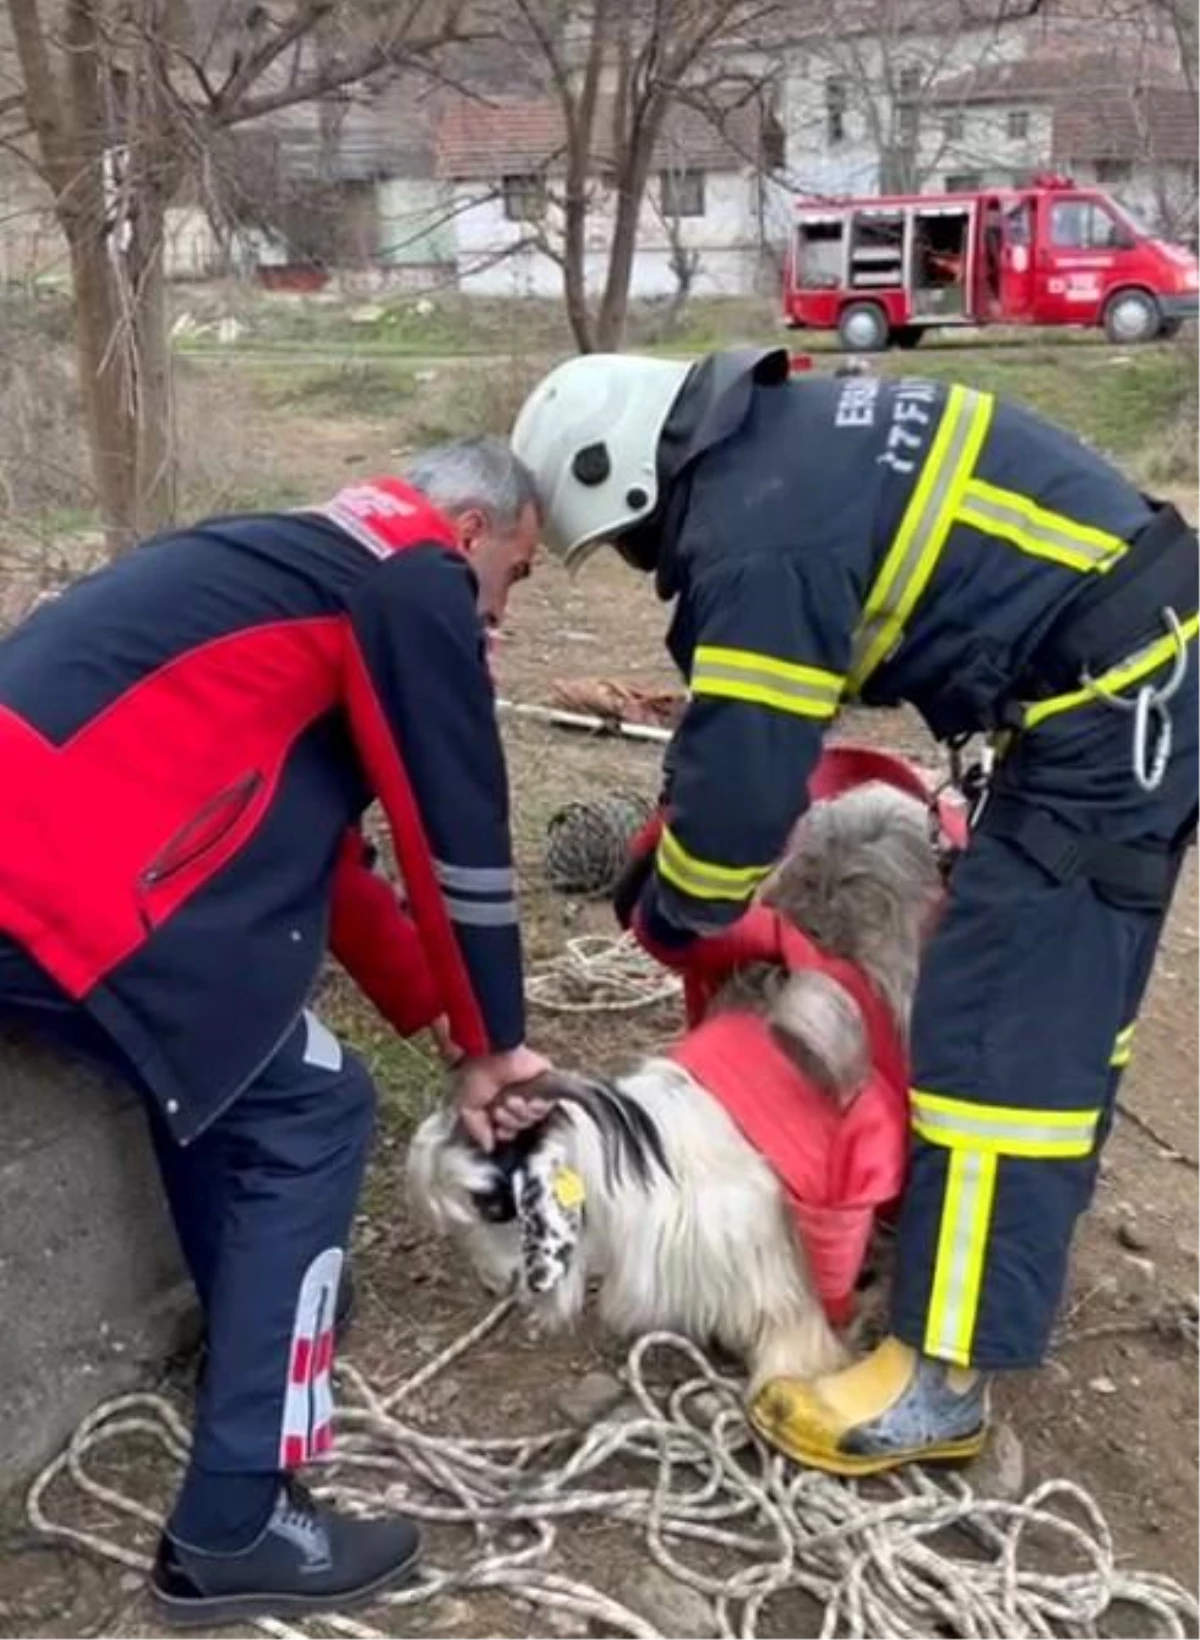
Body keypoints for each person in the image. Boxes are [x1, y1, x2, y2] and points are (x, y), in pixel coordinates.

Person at [510, 348, 1200, 1477]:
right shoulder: (788, 452)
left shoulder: (759, 537)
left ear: (633, 484)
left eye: (630, 545)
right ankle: (989, 1238)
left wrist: (676, 908)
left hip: (1108, 707)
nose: (646, 566)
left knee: (996, 1037)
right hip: (1134, 675)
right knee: (1064, 1016)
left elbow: (742, 796)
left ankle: (943, 1377)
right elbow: (745, 719)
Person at [0, 436, 552, 1627]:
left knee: (242, 1069)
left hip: (40, 846)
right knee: (313, 1105)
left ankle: (242, 1329)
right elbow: (457, 818)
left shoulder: (301, 558)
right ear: (469, 534)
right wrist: (497, 1041)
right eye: (513, 577)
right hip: (59, 873)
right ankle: (235, 1519)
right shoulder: (410, 572)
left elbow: (335, 861)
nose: (498, 615)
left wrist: (445, 1024)